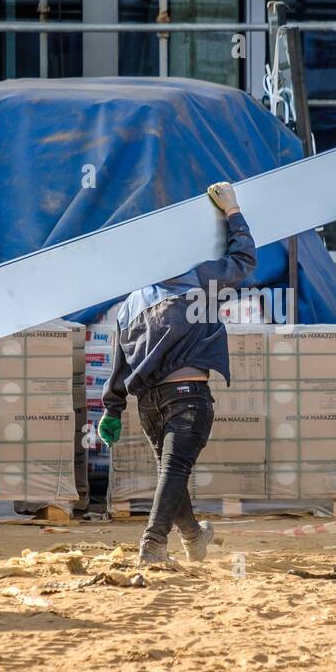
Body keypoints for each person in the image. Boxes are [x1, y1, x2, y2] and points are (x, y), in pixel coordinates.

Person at [97, 181, 256, 566]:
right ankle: (153, 544)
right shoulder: (197, 278)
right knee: (175, 470)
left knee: (172, 472)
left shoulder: (130, 303)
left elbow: (119, 363)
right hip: (188, 396)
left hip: (149, 404)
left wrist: (112, 409)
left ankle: (194, 538)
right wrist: (233, 211)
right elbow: (245, 261)